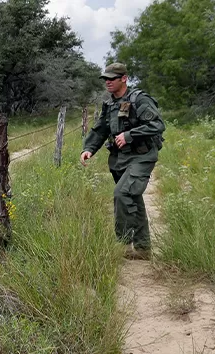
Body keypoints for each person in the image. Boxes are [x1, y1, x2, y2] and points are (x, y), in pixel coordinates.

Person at [81, 62, 165, 259]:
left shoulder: (139, 99)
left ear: (124, 79)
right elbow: (101, 129)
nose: (108, 82)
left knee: (122, 193)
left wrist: (129, 135)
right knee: (133, 197)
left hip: (142, 156)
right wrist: (89, 149)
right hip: (121, 158)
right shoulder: (110, 104)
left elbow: (157, 124)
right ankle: (143, 249)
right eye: (106, 79)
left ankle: (123, 244)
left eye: (112, 79)